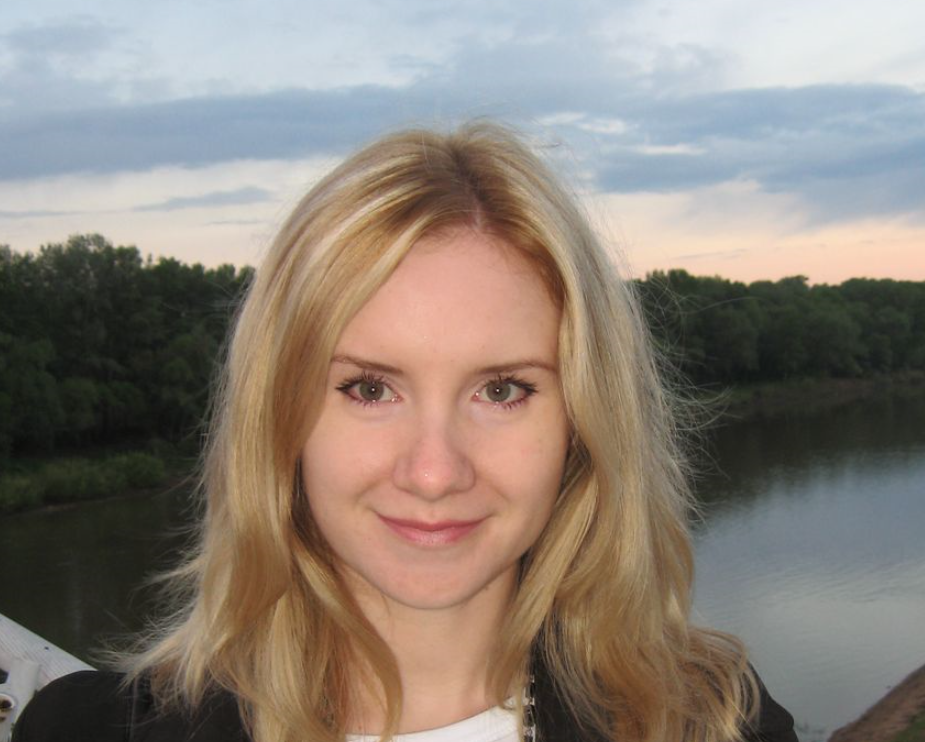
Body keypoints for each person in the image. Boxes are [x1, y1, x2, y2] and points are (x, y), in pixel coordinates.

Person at [13, 122, 797, 742]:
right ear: (280, 418)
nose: (433, 472)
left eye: (502, 390)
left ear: (584, 423)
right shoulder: (82, 730)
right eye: (368, 388)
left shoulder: (713, 723)